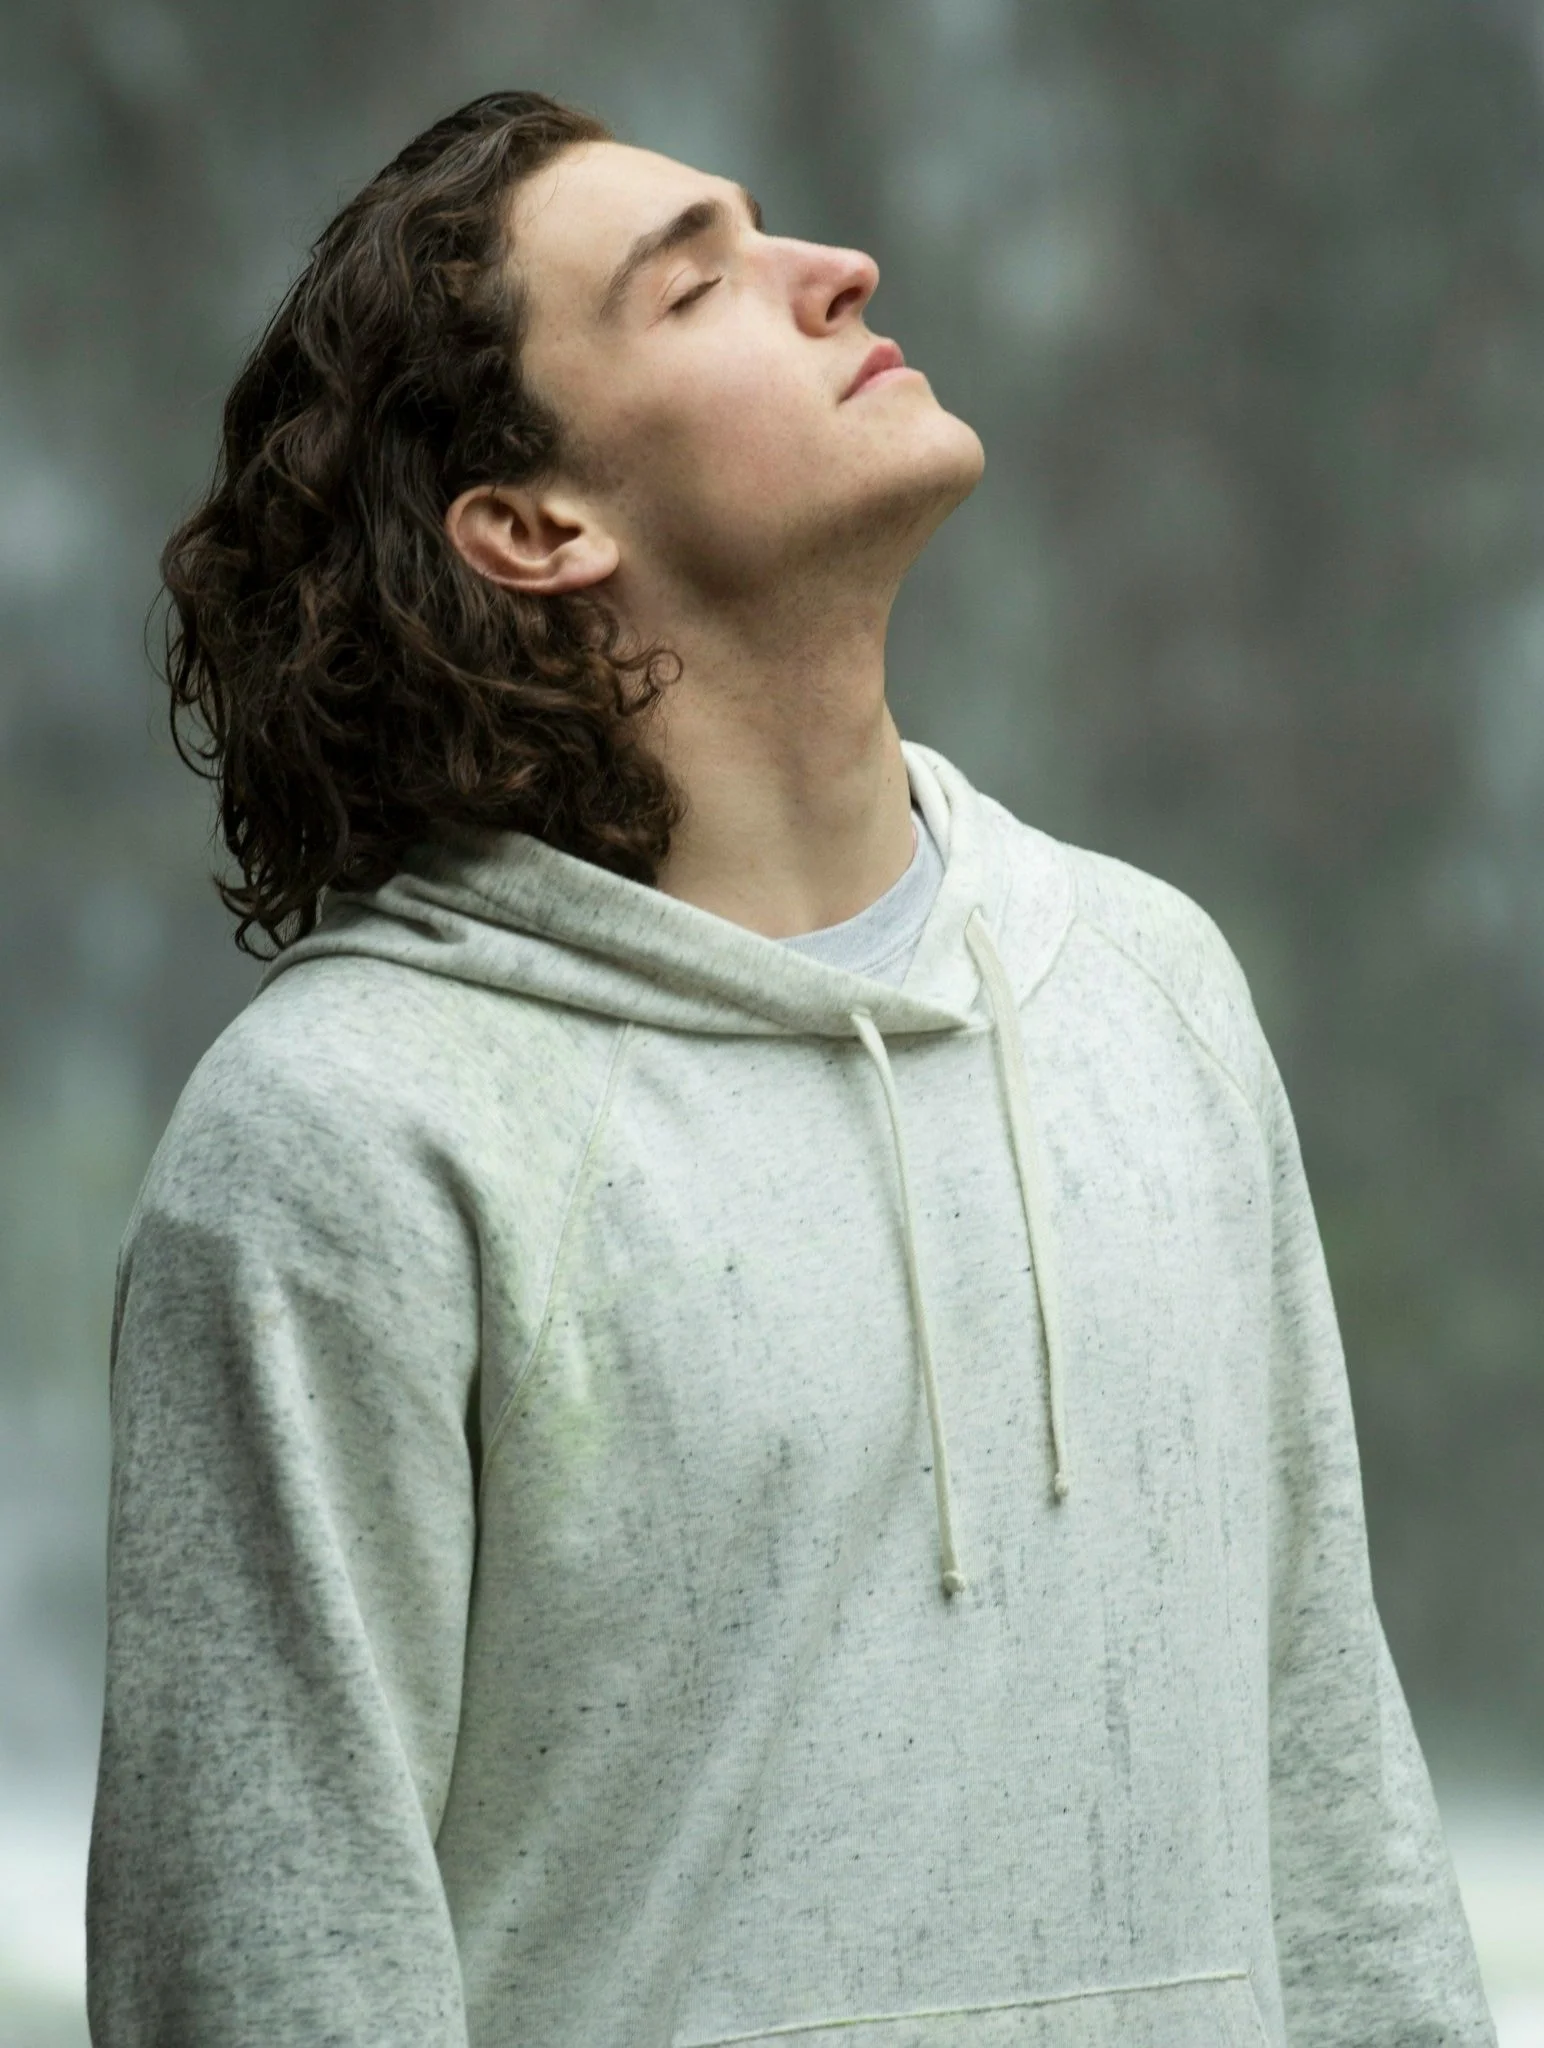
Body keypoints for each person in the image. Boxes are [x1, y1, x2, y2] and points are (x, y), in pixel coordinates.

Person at [85, 88, 1495, 2048]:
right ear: (532, 521)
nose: (839, 271)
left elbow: (1323, 1760)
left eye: (777, 235)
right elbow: (277, 1950)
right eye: (699, 286)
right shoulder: (349, 1132)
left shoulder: (1152, 986)